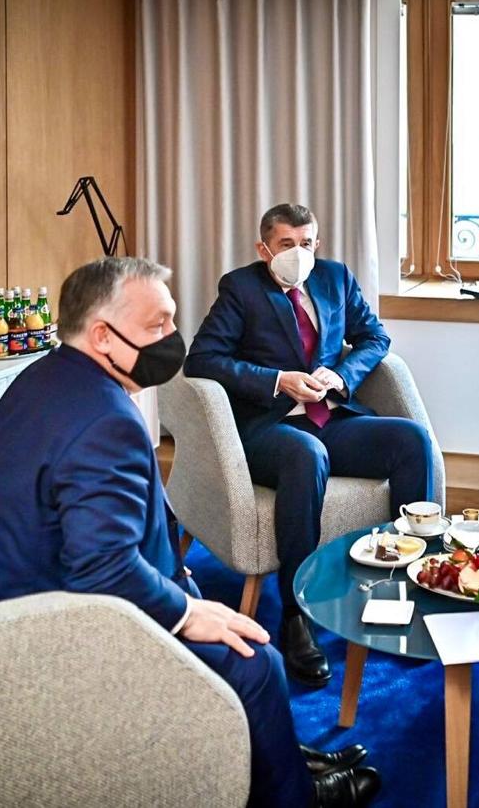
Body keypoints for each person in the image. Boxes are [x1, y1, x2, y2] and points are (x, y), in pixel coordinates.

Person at [0, 258, 380, 808]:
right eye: (157, 325)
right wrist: (186, 612)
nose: (173, 337)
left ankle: (280, 757)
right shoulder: (104, 421)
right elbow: (103, 569)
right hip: (28, 644)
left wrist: (182, 588)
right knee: (255, 662)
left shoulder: (45, 378)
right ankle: (293, 795)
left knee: (225, 625)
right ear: (102, 336)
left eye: (171, 320)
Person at [184, 203, 434, 687]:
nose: (298, 253)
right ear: (264, 249)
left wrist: (341, 376)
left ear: (316, 243)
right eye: (286, 244)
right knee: (306, 453)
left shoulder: (335, 278)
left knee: (412, 441)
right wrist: (278, 380)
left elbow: (374, 338)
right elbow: (203, 360)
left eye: (306, 243)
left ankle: (407, 587)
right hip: (270, 429)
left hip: (332, 418)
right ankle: (296, 615)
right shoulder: (240, 288)